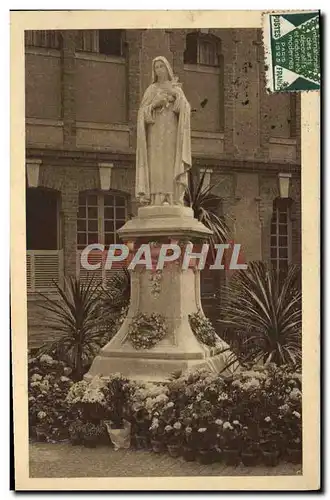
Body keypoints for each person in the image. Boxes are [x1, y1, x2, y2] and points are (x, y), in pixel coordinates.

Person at [136, 56, 192, 206]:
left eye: (161, 66)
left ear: (167, 69)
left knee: (170, 161)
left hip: (172, 132)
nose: (159, 70)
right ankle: (157, 197)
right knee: (156, 163)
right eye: (156, 67)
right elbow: (142, 114)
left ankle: (172, 196)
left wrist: (176, 96)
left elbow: (185, 110)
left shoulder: (175, 88)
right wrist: (154, 104)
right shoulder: (151, 89)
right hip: (155, 133)